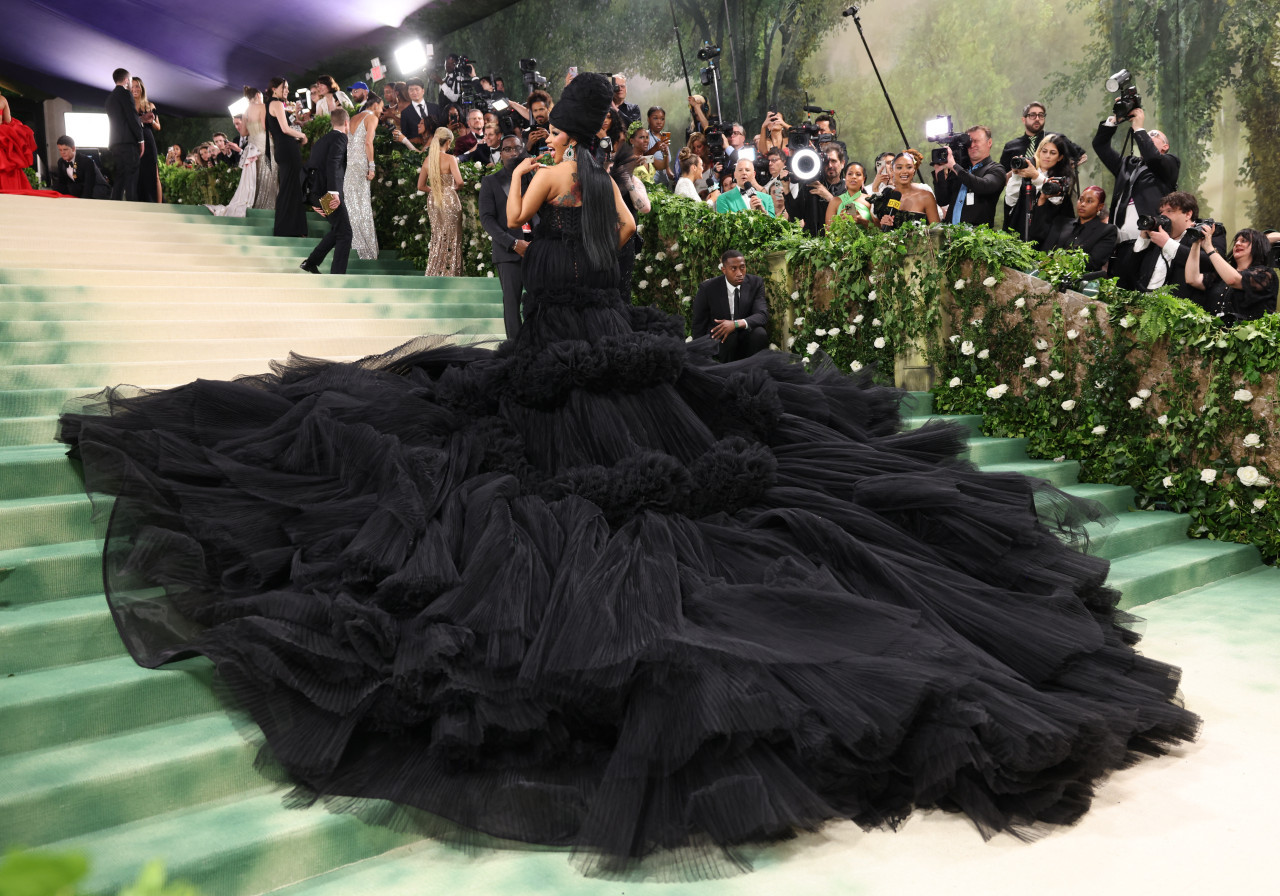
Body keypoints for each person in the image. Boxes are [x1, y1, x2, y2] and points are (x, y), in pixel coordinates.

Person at [58, 69, 1198, 875]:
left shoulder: (551, 175)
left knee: (533, 493)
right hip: (622, 339)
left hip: (557, 348)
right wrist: (591, 216)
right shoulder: (619, 180)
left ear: (565, 120)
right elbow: (642, 233)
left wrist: (531, 185)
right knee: (687, 477)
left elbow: (512, 220)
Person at [1092, 107, 1179, 243]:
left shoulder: (1170, 163)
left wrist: (1139, 129)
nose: (1148, 136)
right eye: (1147, 134)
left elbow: (1153, 158)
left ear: (1165, 146)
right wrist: (1114, 120)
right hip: (1118, 239)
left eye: (1154, 135)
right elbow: (1100, 145)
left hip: (1150, 237)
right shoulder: (1127, 164)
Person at [478, 133, 535, 340]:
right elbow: (487, 220)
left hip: (536, 249)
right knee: (511, 304)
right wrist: (513, 244)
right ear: (500, 154)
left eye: (517, 148)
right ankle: (514, 350)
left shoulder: (535, 178)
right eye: (507, 149)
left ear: (524, 151)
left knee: (538, 301)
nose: (513, 153)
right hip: (508, 252)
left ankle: (537, 344)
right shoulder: (490, 181)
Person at [1116, 191, 1224, 296]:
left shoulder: (1209, 231)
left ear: (1188, 214)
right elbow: (1126, 272)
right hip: (1143, 304)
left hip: (1177, 307)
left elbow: (1211, 263)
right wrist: (1143, 240)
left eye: (1169, 211)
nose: (1163, 216)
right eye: (1161, 212)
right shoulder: (1157, 237)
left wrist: (1167, 244)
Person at [1184, 227, 1278, 324]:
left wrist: (1209, 248)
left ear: (1257, 246)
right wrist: (1196, 243)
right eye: (1236, 241)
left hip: (1246, 337)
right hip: (1216, 336)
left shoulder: (1266, 274)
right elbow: (1192, 279)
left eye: (1244, 241)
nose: (1237, 244)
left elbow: (1233, 280)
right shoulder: (1222, 275)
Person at [691, 249, 770, 362]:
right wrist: (698, 355)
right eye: (734, 268)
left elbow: (762, 315)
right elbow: (699, 324)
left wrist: (735, 324)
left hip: (745, 333)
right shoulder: (708, 288)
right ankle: (728, 374)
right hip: (720, 337)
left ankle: (754, 371)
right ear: (724, 270)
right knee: (728, 337)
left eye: (742, 267)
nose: (739, 273)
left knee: (759, 333)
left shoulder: (755, 283)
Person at [299, 108, 352, 275]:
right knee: (345, 233)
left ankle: (311, 263)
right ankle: (337, 277)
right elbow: (333, 163)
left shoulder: (322, 141)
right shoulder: (341, 137)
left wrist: (312, 199)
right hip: (328, 193)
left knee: (338, 228)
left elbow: (309, 168)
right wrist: (333, 192)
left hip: (317, 192)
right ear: (346, 123)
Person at [1005, 133, 1077, 246]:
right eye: (1044, 151)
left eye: (1052, 153)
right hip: (1020, 232)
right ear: (1039, 152)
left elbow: (1056, 200)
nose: (1047, 156)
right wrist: (1016, 175)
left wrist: (1035, 176)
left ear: (1060, 157)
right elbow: (1010, 201)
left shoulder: (1062, 178)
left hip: (1046, 237)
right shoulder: (1027, 174)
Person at [933, 126, 1005, 227]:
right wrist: (939, 171)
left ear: (989, 142)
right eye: (969, 142)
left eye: (976, 141)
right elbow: (943, 200)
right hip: (950, 235)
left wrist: (954, 166)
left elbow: (983, 186)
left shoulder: (997, 169)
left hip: (977, 238)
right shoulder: (959, 170)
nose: (972, 145)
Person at [1039, 185, 1119, 274]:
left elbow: (1093, 262)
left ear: (1100, 206)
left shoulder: (1107, 231)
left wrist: (1059, 260)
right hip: (1047, 273)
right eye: (1081, 199)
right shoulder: (1062, 222)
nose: (1083, 204)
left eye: (1089, 201)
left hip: (1080, 280)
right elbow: (1046, 250)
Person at [418, 127, 464, 276]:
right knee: (453, 237)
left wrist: (435, 190)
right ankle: (451, 272)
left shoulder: (428, 160)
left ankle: (436, 271)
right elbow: (460, 182)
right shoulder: (450, 159)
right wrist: (451, 189)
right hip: (449, 199)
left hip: (434, 200)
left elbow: (421, 186)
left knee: (438, 235)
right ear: (448, 142)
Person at [266, 77, 309, 237]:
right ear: (274, 88)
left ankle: (291, 229)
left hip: (282, 148)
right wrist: (302, 135)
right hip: (288, 149)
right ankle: (289, 229)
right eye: (284, 87)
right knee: (290, 188)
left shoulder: (271, 104)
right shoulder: (276, 103)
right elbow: (285, 129)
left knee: (289, 188)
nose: (287, 90)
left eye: (287, 88)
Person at [344, 96, 381, 262]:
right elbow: (368, 142)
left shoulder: (352, 118)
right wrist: (372, 166)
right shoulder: (371, 117)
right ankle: (364, 248)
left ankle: (352, 243)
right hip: (361, 165)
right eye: (381, 107)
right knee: (362, 203)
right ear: (374, 105)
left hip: (349, 164)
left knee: (351, 203)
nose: (382, 111)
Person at [105, 68, 143, 200]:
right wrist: (141, 140)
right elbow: (132, 118)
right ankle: (133, 211)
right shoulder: (126, 94)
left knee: (119, 179)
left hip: (115, 144)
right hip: (128, 144)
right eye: (131, 81)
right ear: (126, 80)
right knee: (131, 180)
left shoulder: (110, 98)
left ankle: (116, 209)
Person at [878, 149, 940, 228]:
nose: (904, 171)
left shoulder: (926, 196)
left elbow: (937, 230)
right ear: (892, 170)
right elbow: (876, 229)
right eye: (899, 167)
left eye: (909, 167)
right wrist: (882, 224)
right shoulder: (886, 195)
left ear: (914, 170)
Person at [242, 87, 277, 210]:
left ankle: (255, 204)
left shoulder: (245, 111)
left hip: (253, 145)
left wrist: (253, 129)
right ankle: (268, 206)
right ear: (258, 95)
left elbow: (243, 132)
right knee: (269, 173)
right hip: (265, 143)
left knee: (255, 176)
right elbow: (264, 125)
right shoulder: (262, 106)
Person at [131, 77, 162, 202]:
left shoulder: (150, 105)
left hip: (148, 141)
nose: (135, 89)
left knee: (154, 175)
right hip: (133, 142)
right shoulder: (128, 106)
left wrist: (152, 120)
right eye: (132, 86)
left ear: (142, 88)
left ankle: (159, 206)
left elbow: (158, 127)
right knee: (137, 175)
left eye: (137, 86)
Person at [826, 161, 874, 228]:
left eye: (858, 174)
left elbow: (879, 229)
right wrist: (839, 222)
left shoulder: (870, 200)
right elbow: (828, 232)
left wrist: (862, 221)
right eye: (850, 174)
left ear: (863, 179)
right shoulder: (834, 201)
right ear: (845, 178)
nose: (853, 177)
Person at [400, 78, 441, 149]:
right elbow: (405, 136)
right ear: (408, 92)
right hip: (417, 150)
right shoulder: (405, 113)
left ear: (423, 91)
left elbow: (441, 127)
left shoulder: (435, 108)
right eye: (411, 90)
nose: (414, 92)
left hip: (437, 146)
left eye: (417, 89)